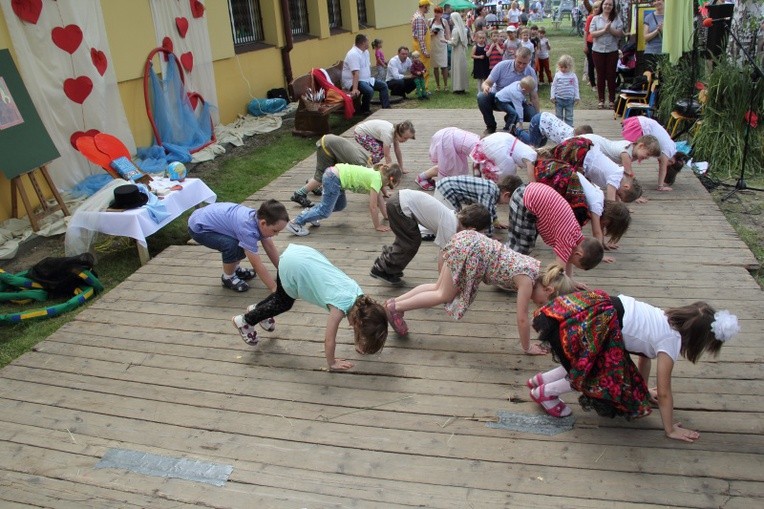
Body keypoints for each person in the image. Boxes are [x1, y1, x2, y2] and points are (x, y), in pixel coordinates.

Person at [529, 291, 739, 438]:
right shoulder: (671, 342)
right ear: (698, 340)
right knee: (595, 373)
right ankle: (546, 392)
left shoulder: (663, 317)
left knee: (586, 360)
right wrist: (670, 429)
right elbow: (665, 392)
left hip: (600, 306)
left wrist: (642, 390)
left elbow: (644, 356)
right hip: (604, 323)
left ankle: (541, 380)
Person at [384, 229, 576, 356]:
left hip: (469, 241)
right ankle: (396, 307)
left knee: (437, 287)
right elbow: (522, 319)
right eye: (544, 302)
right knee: (444, 295)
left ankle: (394, 303)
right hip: (471, 251)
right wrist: (527, 347)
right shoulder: (526, 281)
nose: (540, 305)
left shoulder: (536, 268)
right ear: (548, 289)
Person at [231, 244, 388, 371]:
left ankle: (257, 311)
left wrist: (360, 343)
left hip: (303, 254)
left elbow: (367, 319)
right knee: (284, 301)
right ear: (357, 322)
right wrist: (332, 362)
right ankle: (245, 320)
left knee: (281, 295)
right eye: (355, 328)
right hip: (294, 267)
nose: (350, 325)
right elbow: (329, 339)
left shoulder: (359, 296)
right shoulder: (338, 308)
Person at [370, 191, 491, 285]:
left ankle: (389, 267)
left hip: (401, 201)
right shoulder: (449, 227)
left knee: (407, 240)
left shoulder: (454, 219)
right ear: (471, 229)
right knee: (410, 241)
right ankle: (382, 268)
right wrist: (442, 285)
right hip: (400, 206)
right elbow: (443, 257)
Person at [504, 178, 606, 277]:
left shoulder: (575, 235)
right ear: (579, 254)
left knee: (526, 241)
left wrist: (570, 283)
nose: (572, 264)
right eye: (576, 264)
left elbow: (568, 259)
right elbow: (557, 273)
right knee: (522, 246)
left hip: (530, 192)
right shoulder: (567, 238)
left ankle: (507, 269)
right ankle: (503, 271)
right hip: (524, 199)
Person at [188, 200, 287, 293]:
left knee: (240, 245)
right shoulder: (247, 230)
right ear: (263, 223)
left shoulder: (259, 220)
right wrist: (274, 288)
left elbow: (270, 247)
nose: (276, 234)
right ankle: (228, 277)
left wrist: (282, 272)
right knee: (234, 246)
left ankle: (234, 269)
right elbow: (257, 264)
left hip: (207, 216)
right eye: (275, 231)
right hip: (199, 228)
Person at [530, 158, 631, 249]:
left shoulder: (600, 197)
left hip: (560, 171)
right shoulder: (596, 205)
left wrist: (603, 244)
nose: (604, 225)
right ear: (609, 219)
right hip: (560, 178)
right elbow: (597, 232)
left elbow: (600, 230)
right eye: (607, 224)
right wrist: (600, 255)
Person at [285, 162, 402, 236]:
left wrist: (386, 216)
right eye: (390, 185)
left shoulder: (378, 174)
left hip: (336, 177)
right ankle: (295, 223)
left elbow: (379, 197)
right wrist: (377, 226)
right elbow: (372, 206)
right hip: (334, 178)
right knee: (325, 211)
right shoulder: (377, 179)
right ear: (391, 180)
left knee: (340, 205)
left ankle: (311, 214)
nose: (387, 187)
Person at [547, 135, 644, 202]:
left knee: (553, 160)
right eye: (620, 195)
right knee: (555, 167)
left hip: (583, 150)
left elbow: (615, 198)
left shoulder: (618, 173)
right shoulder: (615, 178)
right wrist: (617, 212)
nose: (617, 195)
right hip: (579, 152)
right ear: (626, 186)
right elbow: (611, 203)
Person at [290, 134, 372, 208]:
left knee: (331, 173)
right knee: (322, 175)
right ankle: (299, 194)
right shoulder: (361, 166)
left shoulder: (367, 163)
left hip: (333, 148)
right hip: (327, 146)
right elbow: (369, 187)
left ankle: (312, 184)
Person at [477, 47, 540, 136]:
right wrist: (486, 87)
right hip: (498, 99)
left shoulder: (531, 72)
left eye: (525, 63)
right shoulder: (501, 66)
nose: (521, 66)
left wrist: (538, 117)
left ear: (529, 61)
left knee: (531, 114)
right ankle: (491, 126)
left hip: (517, 102)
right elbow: (486, 83)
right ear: (515, 57)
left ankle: (510, 120)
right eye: (519, 62)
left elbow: (534, 96)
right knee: (481, 97)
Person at [435, 174, 517, 238]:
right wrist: (489, 236)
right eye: (509, 201)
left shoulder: (493, 189)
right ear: (506, 195)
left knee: (455, 218)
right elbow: (486, 214)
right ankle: (427, 233)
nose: (507, 204)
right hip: (446, 190)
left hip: (447, 187)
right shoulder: (488, 193)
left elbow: (491, 209)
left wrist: (495, 222)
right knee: (450, 220)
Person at [622, 115, 688, 191]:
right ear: (672, 161)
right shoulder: (668, 152)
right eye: (668, 166)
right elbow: (662, 169)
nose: (664, 163)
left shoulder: (672, 146)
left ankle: (621, 165)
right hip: (642, 126)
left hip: (642, 122)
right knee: (633, 153)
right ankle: (623, 169)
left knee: (634, 153)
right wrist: (661, 186)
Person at [580, 132, 661, 188]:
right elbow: (628, 174)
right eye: (647, 154)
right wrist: (635, 194)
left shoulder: (631, 147)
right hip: (590, 143)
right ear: (640, 146)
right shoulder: (626, 153)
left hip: (594, 143)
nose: (647, 158)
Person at [415, 127, 481, 191]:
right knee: (449, 168)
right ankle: (422, 177)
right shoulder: (484, 152)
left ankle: (424, 176)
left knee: (453, 167)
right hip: (447, 140)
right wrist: (478, 185)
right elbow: (477, 166)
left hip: (452, 136)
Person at [341, 33, 391, 115]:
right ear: (363, 43)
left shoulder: (366, 52)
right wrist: (354, 89)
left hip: (366, 80)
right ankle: (364, 110)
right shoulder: (353, 54)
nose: (369, 43)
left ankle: (386, 108)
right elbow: (355, 73)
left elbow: (367, 67)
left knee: (383, 85)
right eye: (368, 41)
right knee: (369, 90)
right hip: (353, 81)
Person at [590, 0, 624, 109]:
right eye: (605, 4)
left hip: (612, 50)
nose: (607, 6)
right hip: (598, 50)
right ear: (602, 5)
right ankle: (601, 100)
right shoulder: (596, 18)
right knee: (600, 75)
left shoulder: (617, 18)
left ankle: (611, 100)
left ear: (613, 6)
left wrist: (611, 30)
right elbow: (592, 33)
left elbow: (619, 33)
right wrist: (604, 30)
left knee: (611, 75)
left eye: (610, 4)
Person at [470, 131, 538, 182]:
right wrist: (534, 185)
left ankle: (478, 178)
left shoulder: (525, 149)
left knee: (485, 162)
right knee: (508, 180)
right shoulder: (533, 156)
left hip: (497, 139)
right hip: (501, 148)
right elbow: (530, 169)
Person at [516, 111, 593, 147]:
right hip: (538, 122)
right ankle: (517, 131)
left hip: (545, 120)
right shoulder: (567, 139)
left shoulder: (572, 131)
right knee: (533, 145)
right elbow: (561, 151)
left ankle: (530, 133)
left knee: (541, 144)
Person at [551, 54, 580, 127]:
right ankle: (559, 128)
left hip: (569, 99)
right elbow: (553, 86)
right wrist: (552, 96)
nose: (563, 69)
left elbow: (576, 86)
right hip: (559, 99)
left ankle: (569, 128)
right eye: (561, 67)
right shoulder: (558, 75)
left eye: (565, 67)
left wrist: (577, 97)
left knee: (569, 116)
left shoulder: (573, 76)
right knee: (558, 116)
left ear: (570, 66)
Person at [412, 0, 432, 92]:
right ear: (424, 6)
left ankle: (421, 89)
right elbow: (420, 37)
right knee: (423, 68)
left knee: (421, 67)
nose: (429, 8)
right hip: (421, 48)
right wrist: (424, 52)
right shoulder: (419, 18)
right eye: (428, 6)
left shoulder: (417, 15)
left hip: (420, 46)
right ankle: (423, 89)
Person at [430, 6, 451, 91]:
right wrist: (432, 33)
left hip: (442, 45)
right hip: (433, 45)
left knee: (444, 66)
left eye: (438, 12)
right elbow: (427, 34)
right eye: (435, 12)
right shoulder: (430, 21)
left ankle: (445, 85)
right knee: (435, 67)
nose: (436, 14)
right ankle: (438, 86)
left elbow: (448, 34)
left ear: (441, 14)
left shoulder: (444, 21)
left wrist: (448, 41)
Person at [449, 12, 469, 94]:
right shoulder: (462, 28)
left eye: (451, 19)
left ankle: (458, 87)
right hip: (462, 51)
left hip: (457, 51)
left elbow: (454, 43)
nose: (450, 20)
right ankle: (462, 86)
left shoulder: (455, 30)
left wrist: (446, 41)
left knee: (457, 68)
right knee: (461, 68)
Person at [583, 1, 601, 90]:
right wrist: (585, 45)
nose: (597, 9)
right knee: (591, 63)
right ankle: (593, 83)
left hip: (600, 43)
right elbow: (586, 31)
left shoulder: (603, 18)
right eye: (595, 7)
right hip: (590, 42)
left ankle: (599, 82)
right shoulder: (590, 17)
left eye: (598, 7)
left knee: (599, 64)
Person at [642, 0, 664, 73]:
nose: (657, 2)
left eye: (659, 0)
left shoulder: (670, 16)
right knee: (648, 77)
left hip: (664, 51)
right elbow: (646, 37)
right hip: (650, 52)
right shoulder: (648, 17)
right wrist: (657, 31)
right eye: (654, 1)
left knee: (663, 79)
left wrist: (663, 30)